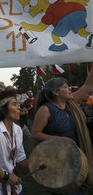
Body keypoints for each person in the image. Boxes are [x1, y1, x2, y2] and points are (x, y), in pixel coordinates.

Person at [32, 63, 93, 194]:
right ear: (56, 92)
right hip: (57, 160)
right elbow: (35, 133)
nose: (70, 89)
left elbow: (88, 85)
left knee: (77, 186)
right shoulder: (45, 109)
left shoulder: (70, 103)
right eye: (66, 87)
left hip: (75, 156)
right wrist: (60, 139)